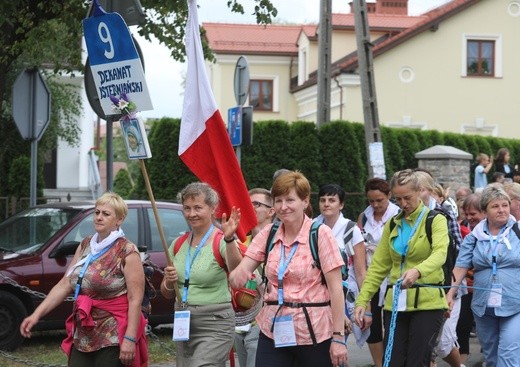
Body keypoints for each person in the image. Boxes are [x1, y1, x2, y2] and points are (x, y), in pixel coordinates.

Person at [229, 171, 348, 367]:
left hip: (314, 332)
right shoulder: (269, 234)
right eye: (278, 201)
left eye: (290, 200)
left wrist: (338, 337)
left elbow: (336, 290)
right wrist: (230, 241)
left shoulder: (320, 234)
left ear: (305, 201)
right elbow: (239, 275)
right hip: (273, 329)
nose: (283, 207)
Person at [20, 192, 148, 367]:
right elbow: (65, 284)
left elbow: (135, 300)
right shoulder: (86, 244)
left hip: (112, 334)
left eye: (106, 214)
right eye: (97, 212)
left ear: (119, 220)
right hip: (83, 334)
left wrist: (130, 338)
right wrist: (36, 315)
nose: (99, 217)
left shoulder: (127, 250)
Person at [354, 169, 449, 367]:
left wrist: (417, 271)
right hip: (395, 303)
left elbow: (440, 254)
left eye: (407, 198)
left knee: (417, 362)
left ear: (420, 192)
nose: (403, 204)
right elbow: (378, 267)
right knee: (393, 361)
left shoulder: (436, 219)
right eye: (398, 199)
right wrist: (362, 301)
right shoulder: (392, 224)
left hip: (428, 304)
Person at [160, 182, 243, 367]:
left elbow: (237, 271)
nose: (191, 214)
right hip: (184, 320)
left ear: (213, 208)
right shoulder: (178, 244)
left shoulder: (221, 240)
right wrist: (168, 281)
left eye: (198, 207)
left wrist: (230, 238)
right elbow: (166, 292)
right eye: (187, 208)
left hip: (215, 322)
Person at [447, 184, 520, 366]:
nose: (502, 210)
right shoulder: (474, 237)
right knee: (490, 354)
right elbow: (460, 267)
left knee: (508, 354)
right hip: (483, 305)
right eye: (495, 206)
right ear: (485, 211)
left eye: (505, 205)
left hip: (515, 303)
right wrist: (449, 295)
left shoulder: (517, 232)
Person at [315, 184, 368, 351]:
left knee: (337, 345)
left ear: (341, 204)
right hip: (316, 293)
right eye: (322, 200)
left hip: (343, 294)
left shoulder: (351, 230)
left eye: (332, 200)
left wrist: (366, 307)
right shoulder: (312, 227)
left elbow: (360, 272)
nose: (326, 204)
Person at [357, 177, 400, 367]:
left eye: (379, 200)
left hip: (392, 276)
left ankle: (393, 361)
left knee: (391, 323)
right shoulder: (364, 216)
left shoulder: (398, 215)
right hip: (371, 274)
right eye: (371, 201)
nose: (375, 205)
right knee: (371, 324)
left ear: (389, 196)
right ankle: (379, 363)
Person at [234, 188, 275, 367]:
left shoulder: (280, 241)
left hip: (267, 322)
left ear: (271, 211)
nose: (250, 208)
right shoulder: (240, 243)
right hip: (241, 320)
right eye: (248, 205)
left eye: (256, 204)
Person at [455, 193, 485, 366]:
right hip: (466, 287)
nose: (469, 217)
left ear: (484, 212)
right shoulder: (465, 231)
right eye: (466, 213)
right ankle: (462, 362)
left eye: (473, 214)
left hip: (484, 289)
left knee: (484, 329)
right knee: (462, 326)